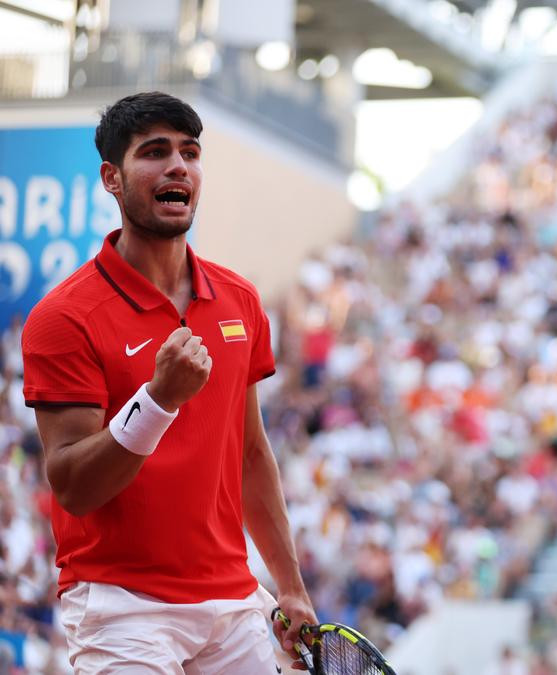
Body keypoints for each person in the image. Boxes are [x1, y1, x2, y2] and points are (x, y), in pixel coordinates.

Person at [21, 92, 316, 673]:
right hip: (121, 609)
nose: (177, 166)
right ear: (112, 178)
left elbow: (252, 454)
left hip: (233, 604)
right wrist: (158, 400)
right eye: (154, 153)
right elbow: (74, 485)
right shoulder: (63, 317)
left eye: (190, 152)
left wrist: (290, 583)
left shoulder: (240, 300)